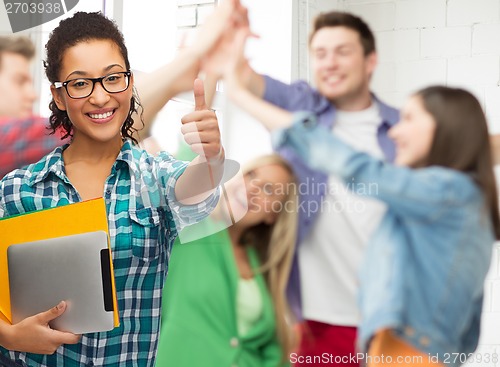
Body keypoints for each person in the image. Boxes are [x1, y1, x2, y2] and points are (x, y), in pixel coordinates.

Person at [221, 35, 499, 365]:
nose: (395, 131)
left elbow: (360, 169)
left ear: (445, 127)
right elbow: (469, 324)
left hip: (409, 350)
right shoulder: (463, 201)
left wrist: (239, 94)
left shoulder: (447, 190)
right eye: (320, 53)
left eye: (410, 119)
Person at [0, 4, 246, 366]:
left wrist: (212, 157)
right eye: (81, 83)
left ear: (130, 82)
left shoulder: (153, 177)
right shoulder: (17, 190)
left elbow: (191, 185)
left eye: (113, 78)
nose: (100, 97)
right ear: (58, 95)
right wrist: (7, 335)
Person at [203, 9, 399, 364]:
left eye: (342, 51)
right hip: (313, 321)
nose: (330, 63)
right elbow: (247, 81)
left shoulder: (399, 128)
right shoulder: (302, 105)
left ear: (371, 60)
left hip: (388, 316)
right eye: (320, 54)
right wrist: (235, 43)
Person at [155, 154, 298, 367]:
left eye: (268, 190)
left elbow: (272, 351)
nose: (251, 189)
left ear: (273, 215)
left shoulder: (259, 264)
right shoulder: (190, 226)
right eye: (251, 175)